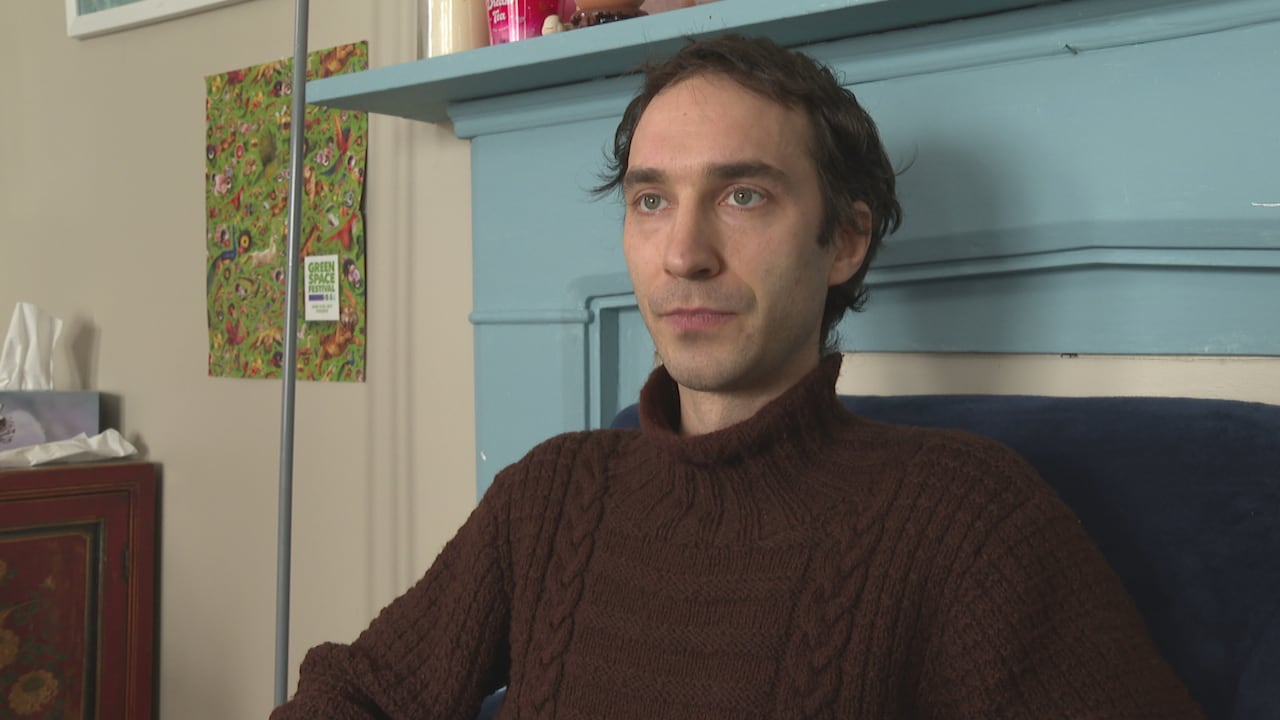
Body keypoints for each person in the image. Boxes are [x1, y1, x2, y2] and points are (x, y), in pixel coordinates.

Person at [273, 34, 1204, 719]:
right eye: (651, 200)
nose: (684, 253)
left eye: (742, 194)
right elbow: (355, 693)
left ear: (842, 238)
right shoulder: (551, 493)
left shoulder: (962, 514)